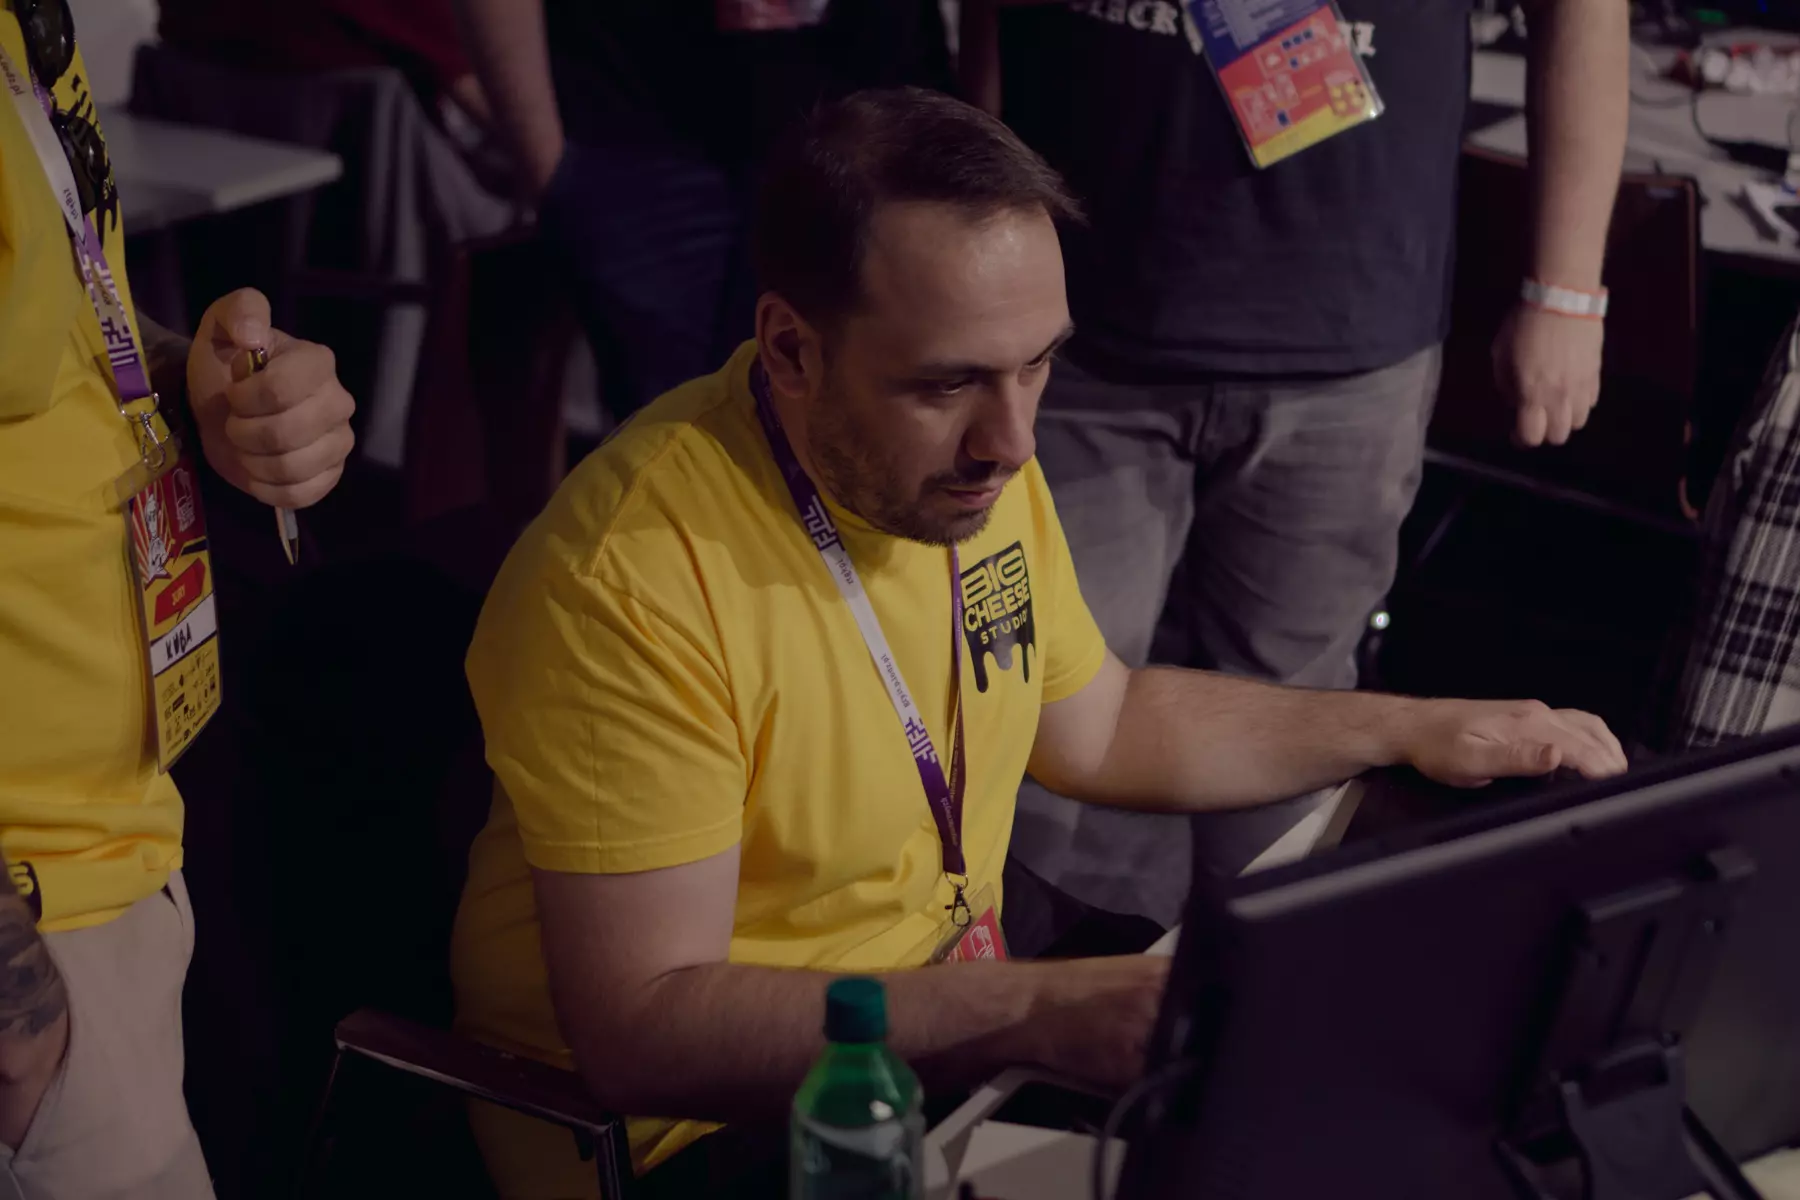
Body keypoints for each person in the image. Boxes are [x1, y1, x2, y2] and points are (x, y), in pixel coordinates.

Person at [449, 87, 1628, 1199]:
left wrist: (1411, 726)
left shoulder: (955, 472)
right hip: (711, 1133)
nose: (1011, 441)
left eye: (1038, 364)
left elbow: (1100, 721)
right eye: (948, 384)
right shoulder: (633, 579)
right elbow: (645, 1034)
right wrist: (1037, 1010)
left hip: (938, 1021)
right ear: (792, 350)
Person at [959, 0, 1632, 922]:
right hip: (1075, 321)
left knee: (1295, 729)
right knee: (1024, 720)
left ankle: (1245, 1000)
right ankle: (1033, 995)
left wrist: (1567, 291)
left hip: (1346, 331)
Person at [0, 4, 356, 1195]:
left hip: (113, 862)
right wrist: (21, 1029)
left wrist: (184, 381)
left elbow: (53, 340)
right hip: (36, 932)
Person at [453, 0, 953, 419]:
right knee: (665, 437)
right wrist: (549, 169)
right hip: (634, 127)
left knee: (865, 416)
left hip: (866, 108)